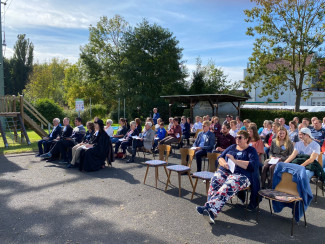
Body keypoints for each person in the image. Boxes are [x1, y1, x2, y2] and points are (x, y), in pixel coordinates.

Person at [196, 130, 260, 223]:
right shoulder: (232, 147)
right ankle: (211, 211)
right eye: (236, 137)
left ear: (246, 139)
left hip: (242, 176)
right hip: (227, 171)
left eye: (240, 137)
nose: (237, 139)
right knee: (215, 179)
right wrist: (224, 163)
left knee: (229, 184)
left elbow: (252, 165)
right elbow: (220, 157)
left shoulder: (251, 150)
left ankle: (209, 208)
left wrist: (235, 161)